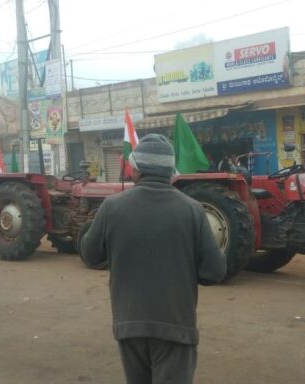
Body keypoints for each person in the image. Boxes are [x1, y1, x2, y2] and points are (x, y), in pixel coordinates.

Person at [81, 134, 226, 384]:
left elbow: (90, 254)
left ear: (136, 168)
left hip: (129, 327)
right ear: (170, 170)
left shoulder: (111, 207)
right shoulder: (192, 210)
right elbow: (214, 272)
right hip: (175, 329)